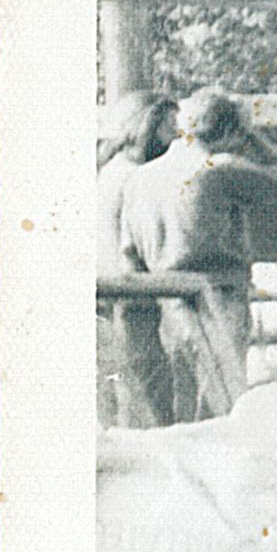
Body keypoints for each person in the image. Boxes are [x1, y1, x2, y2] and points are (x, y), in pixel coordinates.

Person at [118, 86, 268, 421]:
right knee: (226, 404)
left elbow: (129, 252)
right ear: (228, 130)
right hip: (220, 295)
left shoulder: (139, 179)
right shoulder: (218, 168)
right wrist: (253, 138)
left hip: (167, 298)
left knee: (184, 402)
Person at [95, 92, 176, 426]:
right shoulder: (133, 176)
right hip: (130, 290)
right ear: (148, 128)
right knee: (144, 382)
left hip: (119, 288)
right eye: (170, 129)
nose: (177, 139)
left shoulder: (113, 170)